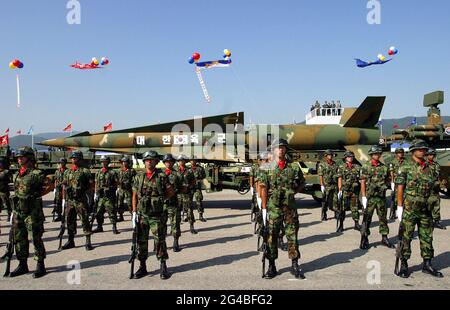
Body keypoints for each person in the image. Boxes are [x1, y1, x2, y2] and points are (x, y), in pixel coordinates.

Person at [395, 140, 444, 278]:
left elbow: (434, 188)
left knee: (427, 237)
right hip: (410, 209)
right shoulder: (405, 167)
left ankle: (427, 264)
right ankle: (404, 264)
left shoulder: (430, 167)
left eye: (424, 149)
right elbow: (400, 188)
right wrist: (399, 206)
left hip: (426, 209)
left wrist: (434, 206)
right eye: (420, 149)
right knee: (406, 237)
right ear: (413, 151)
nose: (423, 151)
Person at [259, 139, 305, 279]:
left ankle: (295, 264)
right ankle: (272, 266)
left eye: (283, 147)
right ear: (273, 150)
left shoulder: (294, 167)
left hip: (290, 208)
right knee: (271, 237)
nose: (280, 150)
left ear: (286, 150)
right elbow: (263, 188)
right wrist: (264, 208)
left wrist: (291, 193)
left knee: (292, 236)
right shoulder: (267, 167)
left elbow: (301, 182)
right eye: (278, 148)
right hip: (274, 209)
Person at [9, 147, 51, 278]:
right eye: (18, 157)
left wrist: (37, 195)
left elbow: (50, 186)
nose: (19, 159)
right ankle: (23, 264)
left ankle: (40, 265)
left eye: (22, 156)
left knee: (35, 238)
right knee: (19, 238)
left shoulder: (37, 174)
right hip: (18, 212)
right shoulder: (17, 174)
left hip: (32, 212)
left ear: (29, 158)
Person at [131, 151, 171, 280]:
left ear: (156, 162)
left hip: (157, 216)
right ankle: (142, 266)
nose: (149, 161)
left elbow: (170, 192)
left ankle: (163, 265)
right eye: (147, 160)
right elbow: (134, 195)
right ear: (144, 162)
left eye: (152, 159)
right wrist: (134, 212)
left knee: (159, 240)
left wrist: (160, 201)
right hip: (142, 215)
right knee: (141, 242)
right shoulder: (139, 177)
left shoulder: (162, 176)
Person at [360, 145, 394, 250]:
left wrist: (389, 184)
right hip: (370, 197)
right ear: (371, 155)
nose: (377, 155)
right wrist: (364, 196)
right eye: (375, 154)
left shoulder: (384, 167)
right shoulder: (365, 166)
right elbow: (363, 182)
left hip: (381, 197)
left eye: (379, 153)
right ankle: (364, 238)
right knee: (367, 219)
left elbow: (388, 179)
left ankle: (384, 237)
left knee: (383, 219)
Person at [61, 151, 94, 251]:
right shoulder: (67, 172)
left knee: (84, 220)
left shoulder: (85, 171)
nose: (73, 160)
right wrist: (63, 198)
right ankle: (71, 240)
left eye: (76, 158)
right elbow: (64, 184)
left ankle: (88, 241)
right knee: (70, 221)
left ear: (80, 159)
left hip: (80, 200)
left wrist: (89, 195)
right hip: (70, 201)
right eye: (72, 158)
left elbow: (91, 184)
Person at [94, 156, 120, 235]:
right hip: (101, 196)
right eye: (102, 161)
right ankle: (99, 226)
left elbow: (116, 183)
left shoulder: (112, 172)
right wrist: (96, 193)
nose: (103, 163)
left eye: (104, 161)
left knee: (111, 212)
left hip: (109, 196)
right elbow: (96, 183)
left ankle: (114, 227)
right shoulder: (98, 172)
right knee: (99, 212)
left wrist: (111, 188)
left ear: (108, 162)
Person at [337, 151, 362, 232]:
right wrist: (340, 189)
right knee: (342, 208)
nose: (350, 158)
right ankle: (341, 225)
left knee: (355, 207)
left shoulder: (357, 167)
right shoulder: (341, 167)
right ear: (345, 158)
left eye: (351, 157)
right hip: (344, 190)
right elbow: (339, 178)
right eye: (348, 157)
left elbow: (361, 179)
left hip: (354, 191)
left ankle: (356, 224)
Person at [162, 154, 182, 252]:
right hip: (161, 204)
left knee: (175, 223)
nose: (168, 163)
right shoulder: (160, 173)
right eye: (166, 162)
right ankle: (161, 243)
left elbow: (182, 187)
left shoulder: (177, 174)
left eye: (170, 162)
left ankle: (175, 242)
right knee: (161, 224)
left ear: (173, 163)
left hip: (173, 203)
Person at [176, 155, 197, 234]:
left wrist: (189, 188)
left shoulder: (189, 171)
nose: (181, 162)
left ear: (185, 162)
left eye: (183, 160)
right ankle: (176, 228)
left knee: (189, 210)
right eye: (180, 160)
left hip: (187, 194)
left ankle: (191, 227)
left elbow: (193, 181)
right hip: (178, 195)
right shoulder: (175, 171)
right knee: (177, 211)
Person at [426, 148, 446, 230]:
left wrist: (441, 183)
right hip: (427, 190)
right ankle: (427, 222)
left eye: (433, 155)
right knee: (427, 207)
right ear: (427, 155)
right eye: (430, 155)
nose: (432, 156)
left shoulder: (436, 165)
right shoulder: (424, 165)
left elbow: (438, 176)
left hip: (435, 190)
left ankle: (436, 222)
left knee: (436, 205)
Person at [318, 149, 339, 221]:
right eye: (329, 155)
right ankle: (324, 215)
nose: (330, 156)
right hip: (326, 185)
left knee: (336, 200)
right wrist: (322, 185)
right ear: (326, 156)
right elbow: (321, 175)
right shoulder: (322, 164)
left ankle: (336, 214)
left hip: (334, 184)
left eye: (331, 155)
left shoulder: (335, 164)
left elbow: (338, 174)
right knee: (325, 200)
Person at [116, 156, 136, 222]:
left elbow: (134, 180)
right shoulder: (120, 170)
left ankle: (133, 215)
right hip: (121, 189)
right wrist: (118, 187)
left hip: (128, 189)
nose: (124, 163)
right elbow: (117, 179)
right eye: (123, 162)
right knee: (119, 203)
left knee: (130, 203)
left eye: (125, 162)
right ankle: (120, 216)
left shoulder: (132, 170)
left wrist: (133, 187)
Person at [389, 148, 406, 220]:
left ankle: (403, 213)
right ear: (396, 154)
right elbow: (391, 172)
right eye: (399, 153)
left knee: (404, 197)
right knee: (395, 198)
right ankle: (392, 213)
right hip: (396, 182)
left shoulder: (406, 161)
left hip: (405, 181)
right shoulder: (393, 162)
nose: (400, 154)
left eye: (402, 152)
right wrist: (392, 182)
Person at [190, 157, 207, 222]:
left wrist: (198, 181)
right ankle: (189, 216)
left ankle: (201, 216)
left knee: (199, 201)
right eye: (191, 160)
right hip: (190, 188)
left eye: (194, 160)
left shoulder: (200, 168)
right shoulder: (188, 169)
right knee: (188, 202)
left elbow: (203, 176)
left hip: (197, 187)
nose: (193, 161)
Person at [53, 158, 68, 222]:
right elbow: (56, 179)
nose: (61, 164)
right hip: (58, 189)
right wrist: (55, 188)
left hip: (65, 188)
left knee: (66, 202)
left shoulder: (68, 171)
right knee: (58, 202)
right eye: (60, 163)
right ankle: (59, 215)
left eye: (62, 162)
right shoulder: (57, 171)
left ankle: (65, 215)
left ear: (65, 163)